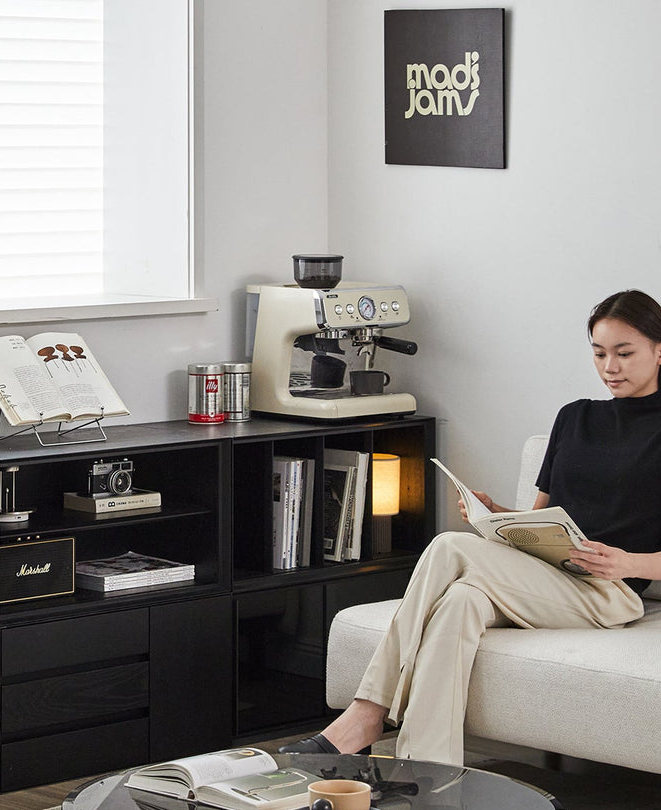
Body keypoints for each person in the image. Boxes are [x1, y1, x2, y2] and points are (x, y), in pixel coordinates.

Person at [282, 288, 661, 766]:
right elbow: (539, 516)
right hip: (543, 575)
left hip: (609, 591)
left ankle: (368, 711)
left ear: (658, 350)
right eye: (599, 353)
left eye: (624, 353)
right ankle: (425, 772)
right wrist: (495, 514)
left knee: (448, 546)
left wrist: (627, 563)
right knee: (461, 601)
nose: (610, 367)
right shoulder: (576, 417)